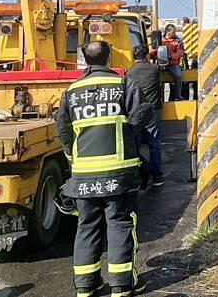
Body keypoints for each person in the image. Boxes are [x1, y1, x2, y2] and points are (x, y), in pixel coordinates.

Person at [56, 41, 153, 297]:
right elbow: (142, 115)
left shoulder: (72, 91)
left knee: (87, 226)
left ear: (85, 61)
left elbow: (63, 133)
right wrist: (130, 137)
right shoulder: (123, 84)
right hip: (119, 173)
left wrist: (73, 159)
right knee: (120, 224)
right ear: (109, 59)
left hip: (84, 175)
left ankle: (86, 286)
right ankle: (121, 286)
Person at [126, 45, 165, 187]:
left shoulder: (129, 73)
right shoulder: (155, 69)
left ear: (133, 56)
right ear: (147, 55)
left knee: (135, 146)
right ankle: (157, 177)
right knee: (154, 145)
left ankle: (138, 177)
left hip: (135, 111)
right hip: (152, 110)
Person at [162, 24, 184, 100]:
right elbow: (154, 50)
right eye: (173, 32)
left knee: (178, 76)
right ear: (168, 32)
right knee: (154, 77)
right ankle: (159, 97)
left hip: (173, 64)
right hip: (161, 64)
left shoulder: (178, 41)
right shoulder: (160, 40)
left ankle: (177, 95)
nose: (175, 34)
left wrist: (170, 56)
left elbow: (180, 53)